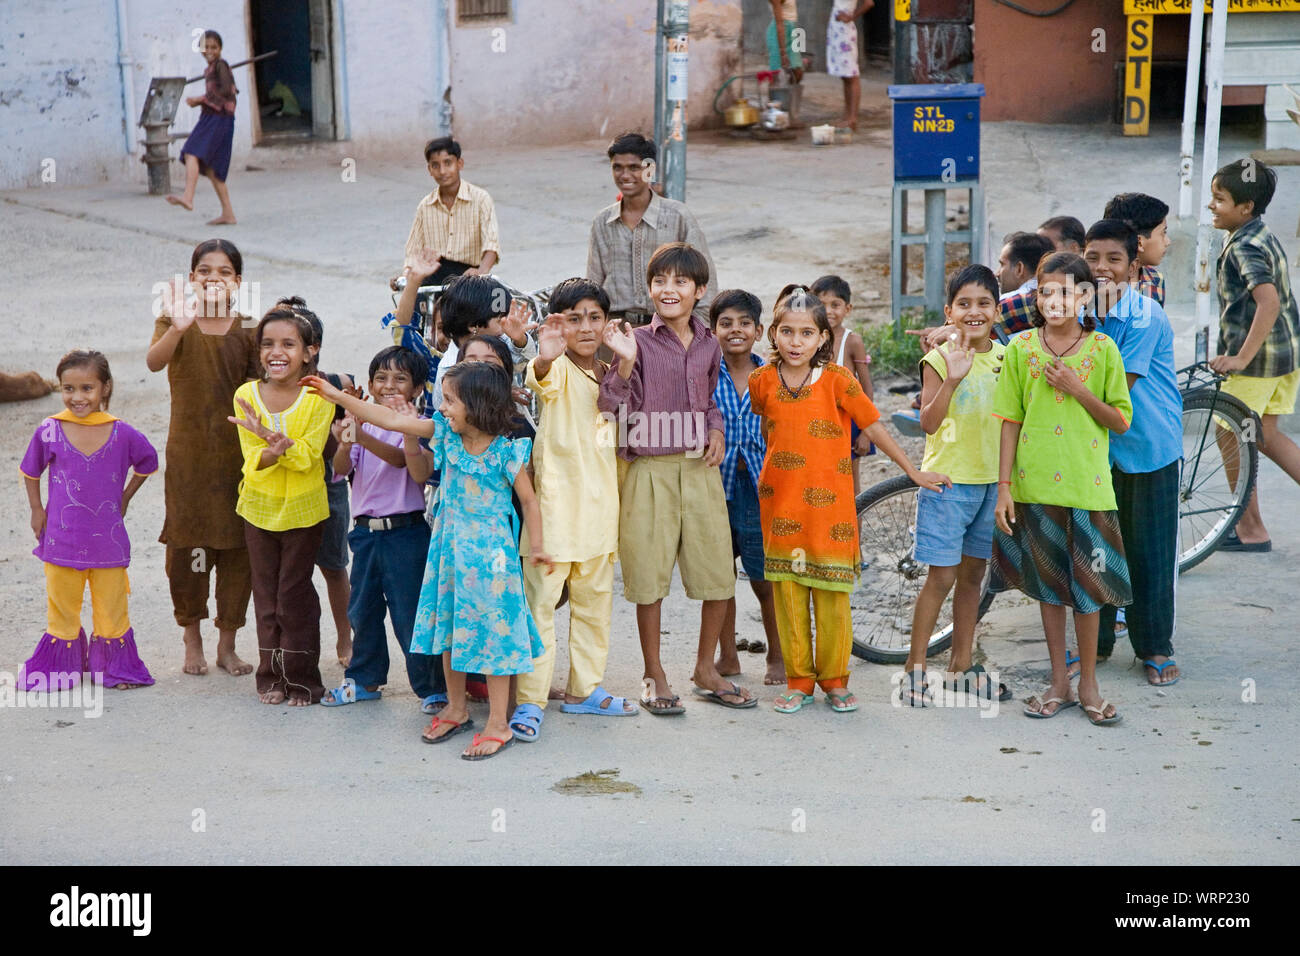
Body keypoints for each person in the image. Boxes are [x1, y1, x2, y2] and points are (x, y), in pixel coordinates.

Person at [303, 363, 553, 761]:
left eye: (450, 400)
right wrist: (336, 396)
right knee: (450, 631)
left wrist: (537, 546)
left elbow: (529, 501)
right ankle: (455, 708)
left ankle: (498, 724)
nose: (442, 407)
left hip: (492, 564)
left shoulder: (507, 451)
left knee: (493, 639)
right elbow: (386, 417)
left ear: (477, 405)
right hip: (449, 553)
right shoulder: (446, 436)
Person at [751, 287, 949, 714]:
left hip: (831, 513)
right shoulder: (762, 381)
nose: (795, 341)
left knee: (832, 596)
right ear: (773, 333)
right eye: (786, 331)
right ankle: (799, 680)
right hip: (780, 505)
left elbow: (874, 427)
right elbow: (768, 428)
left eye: (806, 333)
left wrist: (911, 470)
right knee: (787, 595)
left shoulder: (840, 381)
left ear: (823, 337)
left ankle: (835, 681)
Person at [598, 241, 753, 713]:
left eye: (680, 282)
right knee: (647, 576)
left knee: (717, 572)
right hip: (649, 471)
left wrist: (716, 428)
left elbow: (708, 400)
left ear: (699, 290)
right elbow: (611, 409)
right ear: (649, 289)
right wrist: (623, 361)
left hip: (700, 470)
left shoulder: (710, 343)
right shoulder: (635, 341)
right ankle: (654, 672)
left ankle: (706, 667)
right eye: (660, 281)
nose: (669, 289)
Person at [991, 252, 1133, 726]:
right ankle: (1059, 682)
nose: (1056, 300)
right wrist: (1004, 487)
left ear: (1086, 296)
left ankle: (1089, 684)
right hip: (1033, 488)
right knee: (1049, 587)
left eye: (1067, 291)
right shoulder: (1020, 349)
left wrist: (1077, 388)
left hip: (1088, 489)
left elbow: (1120, 421)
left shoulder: (1104, 350)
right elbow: (1009, 421)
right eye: (1046, 291)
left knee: (1089, 591)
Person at [509, 278, 635, 742]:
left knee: (594, 606)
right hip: (556, 517)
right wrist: (542, 353)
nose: (585, 327)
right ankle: (530, 700)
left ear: (607, 322)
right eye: (574, 318)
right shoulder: (558, 369)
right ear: (558, 324)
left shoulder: (607, 371)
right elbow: (539, 377)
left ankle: (585, 691)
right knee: (540, 607)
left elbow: (620, 411)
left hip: (601, 513)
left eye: (594, 317)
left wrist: (625, 359)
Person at [146, 238, 258, 678]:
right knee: (187, 547)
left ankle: (226, 644)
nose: (214, 278)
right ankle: (191, 637)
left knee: (237, 552)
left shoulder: (249, 329)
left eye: (224, 271)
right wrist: (177, 326)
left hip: (236, 457)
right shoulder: (173, 321)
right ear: (192, 278)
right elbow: (154, 363)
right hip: (189, 456)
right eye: (205, 270)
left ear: (238, 282)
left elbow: (256, 391)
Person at [19, 351, 158, 691]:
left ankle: (115, 670)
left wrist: (124, 497)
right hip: (60, 540)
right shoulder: (50, 430)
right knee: (62, 608)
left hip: (107, 543)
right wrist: (37, 510)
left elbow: (148, 461)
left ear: (104, 388)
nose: (77, 397)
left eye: (86, 388)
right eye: (69, 389)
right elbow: (30, 470)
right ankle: (60, 670)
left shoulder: (122, 433)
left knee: (111, 609)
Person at [1084, 219, 1184, 686]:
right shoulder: (1080, 308)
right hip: (1098, 452)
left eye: (1114, 259)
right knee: (1099, 549)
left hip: (1148, 447)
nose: (1101, 268)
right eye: (1092, 258)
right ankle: (1097, 645)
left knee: (1150, 554)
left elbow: (1115, 392)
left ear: (1133, 264)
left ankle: (1155, 647)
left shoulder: (1144, 316)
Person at [903, 266, 1008, 706]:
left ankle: (961, 664)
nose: (974, 311)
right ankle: (915, 666)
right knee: (940, 577)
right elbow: (927, 422)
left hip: (990, 485)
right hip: (948, 483)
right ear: (949, 312)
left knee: (973, 577)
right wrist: (952, 379)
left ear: (998, 311)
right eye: (964, 303)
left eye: (984, 303)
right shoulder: (939, 359)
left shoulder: (1008, 357)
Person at [320, 346, 444, 712]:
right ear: (370, 386)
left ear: (418, 388)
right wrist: (344, 437)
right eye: (381, 378)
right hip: (365, 532)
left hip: (405, 532)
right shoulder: (364, 423)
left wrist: (360, 436)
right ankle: (364, 679)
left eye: (400, 379)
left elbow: (400, 461)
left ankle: (431, 687)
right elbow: (341, 469)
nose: (389, 386)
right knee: (363, 609)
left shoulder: (415, 423)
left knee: (409, 613)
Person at [228, 305, 335, 706]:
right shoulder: (246, 396)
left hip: (304, 513)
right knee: (266, 595)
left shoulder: (317, 395)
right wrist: (273, 447)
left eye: (289, 344)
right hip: (258, 511)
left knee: (294, 596)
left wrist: (279, 445)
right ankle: (270, 677)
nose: (277, 351)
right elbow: (252, 463)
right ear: (258, 352)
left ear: (310, 351)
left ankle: (304, 680)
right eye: (268, 343)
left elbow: (310, 456)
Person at [1208, 158, 1300, 552]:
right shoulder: (1259, 233)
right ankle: (1249, 524)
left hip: (1258, 363)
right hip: (1285, 356)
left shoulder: (1244, 246)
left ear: (1245, 207)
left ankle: (1251, 528)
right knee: (1266, 435)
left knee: (1229, 433)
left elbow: (1269, 301)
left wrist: (1240, 359)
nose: (1212, 206)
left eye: (1220, 199)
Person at [708, 289, 785, 687]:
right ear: (713, 329)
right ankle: (728, 654)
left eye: (743, 324)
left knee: (763, 576)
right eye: (725, 323)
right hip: (714, 486)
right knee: (720, 576)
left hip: (759, 489)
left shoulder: (771, 375)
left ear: (758, 331)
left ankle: (776, 652)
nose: (734, 330)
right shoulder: (705, 372)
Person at [288, 299, 356, 669]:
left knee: (333, 566)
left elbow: (345, 443)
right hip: (283, 484)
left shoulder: (337, 385)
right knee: (289, 572)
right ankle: (295, 642)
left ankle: (345, 636)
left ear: (311, 348)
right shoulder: (263, 389)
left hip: (327, 483)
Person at [587, 132, 717, 327]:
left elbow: (706, 285)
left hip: (669, 327)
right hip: (616, 331)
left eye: (634, 167)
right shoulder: (602, 222)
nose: (625, 175)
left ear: (650, 170)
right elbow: (593, 288)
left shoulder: (678, 216)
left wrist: (694, 333)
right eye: (618, 168)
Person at [399, 137, 501, 287]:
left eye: (448, 163)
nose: (442, 171)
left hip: (467, 275)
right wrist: (406, 275)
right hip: (432, 274)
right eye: (435, 165)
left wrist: (481, 270)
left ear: (459, 164)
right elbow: (413, 249)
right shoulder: (425, 205)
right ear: (429, 170)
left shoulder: (480, 199)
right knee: (410, 307)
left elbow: (491, 244)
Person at [429, 274, 535, 409]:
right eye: (499, 320)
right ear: (474, 326)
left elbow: (525, 361)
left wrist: (520, 339)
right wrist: (503, 394)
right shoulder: (447, 370)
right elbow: (446, 415)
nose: (504, 326)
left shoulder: (499, 339)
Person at [166, 30, 238, 225]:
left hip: (218, 118)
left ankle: (188, 197)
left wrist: (200, 100)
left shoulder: (221, 66)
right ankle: (228, 214)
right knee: (214, 170)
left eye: (214, 47)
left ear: (220, 49)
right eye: (206, 47)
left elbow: (225, 91)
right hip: (215, 118)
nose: (210, 51)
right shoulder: (213, 68)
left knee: (192, 153)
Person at [812, 275, 874, 496]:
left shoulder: (852, 341)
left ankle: (855, 530)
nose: (828, 311)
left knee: (850, 487)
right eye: (821, 304)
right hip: (816, 422)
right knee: (819, 482)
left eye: (835, 305)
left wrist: (866, 432)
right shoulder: (809, 339)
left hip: (847, 423)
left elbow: (866, 389)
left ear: (847, 308)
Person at [1103, 194, 1171, 305]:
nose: (1168, 242)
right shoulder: (1096, 281)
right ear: (1139, 242)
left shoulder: (1155, 279)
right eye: (1163, 233)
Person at [827, 1, 874, 130]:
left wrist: (851, 17)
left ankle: (852, 118)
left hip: (845, 30)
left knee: (851, 74)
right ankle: (846, 116)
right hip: (837, 28)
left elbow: (869, 3)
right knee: (845, 75)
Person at [997, 231, 1054, 302]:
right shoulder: (1065, 299)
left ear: (1019, 269)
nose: (997, 274)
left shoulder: (1005, 304)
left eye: (1002, 264)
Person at [768, 0, 803, 85]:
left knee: (798, 72)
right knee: (776, 74)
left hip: (793, 30)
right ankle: (777, 96)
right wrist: (783, 52)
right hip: (779, 33)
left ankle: (787, 94)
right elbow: (779, 24)